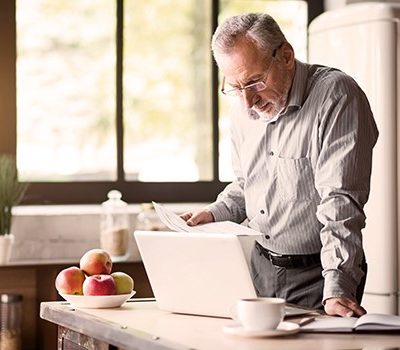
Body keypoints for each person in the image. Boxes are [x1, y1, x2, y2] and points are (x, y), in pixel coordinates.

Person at [180, 13, 378, 317]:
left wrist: (338, 287)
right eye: (235, 87)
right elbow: (249, 184)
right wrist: (213, 213)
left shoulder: (337, 96)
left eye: (255, 82)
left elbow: (340, 201)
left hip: (318, 275)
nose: (247, 103)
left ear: (286, 56)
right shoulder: (243, 109)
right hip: (259, 270)